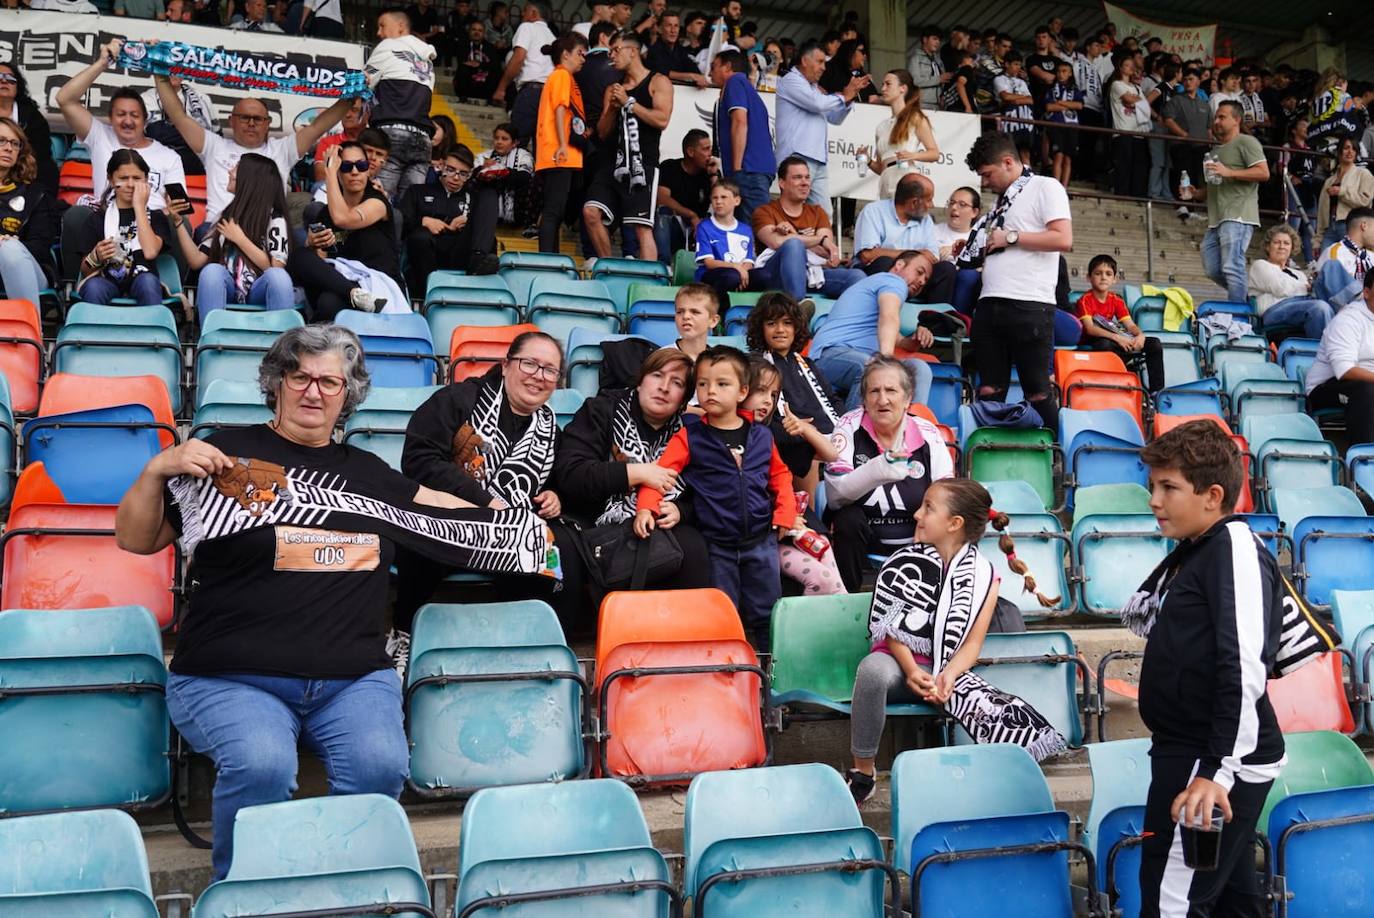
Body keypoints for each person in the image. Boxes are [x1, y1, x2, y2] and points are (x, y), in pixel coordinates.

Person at [115, 324, 557, 880]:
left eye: (330, 381)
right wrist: (157, 468)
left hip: (351, 678)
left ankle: (351, 887)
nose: (313, 390)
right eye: (300, 375)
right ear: (276, 383)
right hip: (231, 674)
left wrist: (531, 531)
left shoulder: (368, 473)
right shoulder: (225, 454)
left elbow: (439, 505)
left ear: (348, 394)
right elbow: (135, 539)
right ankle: (245, 891)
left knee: (381, 763)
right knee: (263, 764)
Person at [1129, 420, 1285, 916]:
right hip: (1193, 751)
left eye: (1168, 487)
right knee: (1230, 904)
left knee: (1171, 901)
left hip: (1211, 760)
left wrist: (1216, 772)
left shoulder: (1233, 549)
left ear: (1213, 495)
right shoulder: (1200, 551)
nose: (1154, 499)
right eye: (1153, 486)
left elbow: (1241, 664)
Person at [845, 477, 1064, 803]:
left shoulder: (985, 576)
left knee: (1003, 714)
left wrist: (949, 676)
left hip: (947, 673)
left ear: (954, 524)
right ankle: (863, 771)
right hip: (898, 664)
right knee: (872, 670)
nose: (917, 515)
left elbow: (973, 645)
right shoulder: (903, 562)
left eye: (928, 508)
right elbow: (891, 631)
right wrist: (910, 670)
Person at [395, 331, 580, 642]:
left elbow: (552, 480)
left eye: (549, 370)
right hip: (452, 513)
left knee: (561, 547)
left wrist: (554, 496)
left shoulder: (549, 427)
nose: (539, 376)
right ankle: (403, 634)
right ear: (506, 365)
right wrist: (483, 501)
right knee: (423, 533)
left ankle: (532, 641)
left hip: (510, 527)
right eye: (529, 364)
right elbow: (419, 460)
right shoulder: (457, 400)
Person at [634, 346, 799, 643]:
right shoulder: (689, 436)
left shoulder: (762, 435)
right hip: (717, 544)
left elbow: (780, 476)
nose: (711, 391)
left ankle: (770, 670)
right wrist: (646, 508)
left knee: (767, 612)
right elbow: (660, 475)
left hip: (761, 540)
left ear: (742, 391)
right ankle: (727, 669)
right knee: (723, 611)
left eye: (722, 384)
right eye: (703, 383)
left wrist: (785, 512)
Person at [553, 347, 712, 591]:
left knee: (694, 546)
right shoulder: (602, 410)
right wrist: (636, 473)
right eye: (657, 375)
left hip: (659, 525)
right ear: (640, 382)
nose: (664, 387)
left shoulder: (688, 433)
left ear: (683, 401)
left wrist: (681, 510)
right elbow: (571, 473)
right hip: (595, 520)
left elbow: (703, 493)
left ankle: (681, 627)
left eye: (677, 382)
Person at [965, 132, 1073, 429]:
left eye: (987, 174)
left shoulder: (1045, 186)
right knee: (989, 388)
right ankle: (988, 453)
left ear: (1008, 162)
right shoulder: (1003, 201)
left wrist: (1010, 237)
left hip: (1030, 304)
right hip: (989, 302)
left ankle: (1057, 457)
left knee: (1038, 391)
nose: (985, 182)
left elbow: (1063, 238)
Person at [823, 356, 955, 592]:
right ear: (863, 399)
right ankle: (844, 600)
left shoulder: (929, 434)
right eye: (874, 391)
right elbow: (836, 494)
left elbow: (946, 497)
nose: (882, 399)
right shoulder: (848, 426)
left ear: (907, 399)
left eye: (891, 390)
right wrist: (879, 469)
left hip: (917, 536)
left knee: (948, 518)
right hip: (865, 536)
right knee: (847, 518)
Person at [154, 73, 351, 230]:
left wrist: (354, 94)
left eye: (257, 119)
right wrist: (159, 76)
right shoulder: (214, 146)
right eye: (244, 117)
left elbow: (318, 126)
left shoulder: (282, 150)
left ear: (268, 124)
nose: (251, 123)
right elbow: (179, 117)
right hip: (218, 229)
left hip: (266, 231)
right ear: (231, 120)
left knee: (300, 241)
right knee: (203, 231)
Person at [57, 41, 187, 279]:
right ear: (110, 118)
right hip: (107, 224)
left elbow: (179, 207)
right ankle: (77, 282)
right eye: (121, 114)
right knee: (76, 215)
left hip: (151, 227)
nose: (128, 121)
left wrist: (170, 211)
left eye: (134, 115)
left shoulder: (169, 157)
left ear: (146, 120)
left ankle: (173, 290)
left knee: (181, 226)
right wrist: (103, 62)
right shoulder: (100, 136)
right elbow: (65, 99)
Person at [741, 357, 846, 596]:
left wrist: (805, 428)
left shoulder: (775, 430)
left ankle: (841, 621)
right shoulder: (725, 434)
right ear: (741, 389)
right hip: (767, 532)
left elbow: (831, 455)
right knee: (822, 579)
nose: (767, 400)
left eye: (773, 394)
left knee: (825, 550)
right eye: (760, 391)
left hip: (795, 525)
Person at [170, 154, 293, 324]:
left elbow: (276, 267)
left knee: (278, 277)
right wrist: (178, 223)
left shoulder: (275, 218)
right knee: (211, 271)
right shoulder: (226, 215)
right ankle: (212, 341)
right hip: (228, 290)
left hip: (259, 292)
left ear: (250, 179)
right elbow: (196, 261)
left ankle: (280, 344)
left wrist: (240, 239)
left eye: (236, 167)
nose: (230, 171)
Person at [584, 29, 673, 263]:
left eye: (615, 50)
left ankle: (646, 281)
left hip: (641, 164)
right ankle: (608, 267)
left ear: (632, 51)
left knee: (642, 227)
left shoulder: (658, 81)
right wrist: (613, 108)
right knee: (590, 212)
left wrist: (629, 103)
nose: (611, 55)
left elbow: (662, 120)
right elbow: (602, 133)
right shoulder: (613, 88)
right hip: (611, 163)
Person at [810, 250, 938, 410]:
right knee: (872, 370)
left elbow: (896, 337)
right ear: (899, 265)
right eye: (919, 272)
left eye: (925, 280)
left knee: (919, 369)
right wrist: (885, 361)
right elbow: (888, 317)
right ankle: (852, 433)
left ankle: (913, 427)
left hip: (858, 358)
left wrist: (915, 340)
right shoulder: (893, 281)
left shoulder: (880, 286)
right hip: (828, 356)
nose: (921, 281)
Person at [286, 142, 396, 320]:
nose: (354, 172)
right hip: (343, 285)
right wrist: (314, 245)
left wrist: (329, 173)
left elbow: (343, 219)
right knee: (300, 255)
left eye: (361, 166)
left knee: (328, 302)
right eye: (346, 166)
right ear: (340, 172)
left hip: (377, 285)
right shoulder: (325, 214)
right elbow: (322, 264)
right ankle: (355, 294)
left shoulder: (378, 203)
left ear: (368, 170)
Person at [745, 292, 842, 487]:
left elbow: (832, 399)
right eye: (772, 323)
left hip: (831, 438)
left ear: (796, 328)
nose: (780, 330)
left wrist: (845, 429)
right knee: (802, 447)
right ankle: (811, 514)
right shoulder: (756, 366)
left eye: (787, 323)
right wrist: (803, 431)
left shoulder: (807, 364)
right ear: (760, 328)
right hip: (795, 441)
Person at [1180, 101, 1269, 305]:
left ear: (1236, 120)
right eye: (1216, 117)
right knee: (1212, 268)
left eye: (1222, 117)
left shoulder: (1247, 142)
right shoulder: (1213, 153)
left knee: (1231, 266)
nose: (1217, 121)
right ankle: (1247, 301)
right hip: (1216, 218)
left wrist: (1229, 172)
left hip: (1238, 215)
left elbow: (1264, 173)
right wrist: (1196, 193)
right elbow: (1213, 187)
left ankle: (1239, 314)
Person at [750, 156, 866, 301]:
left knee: (857, 277)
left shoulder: (817, 212)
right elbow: (776, 242)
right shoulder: (764, 211)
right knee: (793, 245)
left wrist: (794, 235)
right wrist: (818, 240)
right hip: (777, 275)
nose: (805, 183)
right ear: (782, 183)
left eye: (807, 178)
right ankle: (798, 307)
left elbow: (825, 252)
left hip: (812, 274)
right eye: (798, 178)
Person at [774, 39, 868, 217]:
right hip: (797, 157)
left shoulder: (814, 89)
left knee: (824, 216)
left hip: (817, 160)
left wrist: (850, 98)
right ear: (804, 61)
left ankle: (814, 244)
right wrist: (843, 96)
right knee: (794, 211)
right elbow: (817, 104)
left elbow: (834, 118)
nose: (824, 67)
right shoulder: (791, 80)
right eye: (820, 62)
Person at [76, 150, 170, 307]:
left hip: (143, 278)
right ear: (111, 180)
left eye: (137, 178)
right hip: (106, 279)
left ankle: (152, 331)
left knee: (148, 282)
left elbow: (150, 251)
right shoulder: (97, 219)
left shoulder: (157, 217)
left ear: (146, 180)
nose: (131, 184)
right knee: (93, 287)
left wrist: (139, 207)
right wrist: (96, 256)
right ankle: (92, 331)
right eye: (123, 178)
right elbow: (85, 271)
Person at [363, 11, 437, 199]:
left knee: (377, 199)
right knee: (410, 206)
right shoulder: (428, 61)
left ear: (401, 27)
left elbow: (362, 83)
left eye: (382, 25)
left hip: (391, 134)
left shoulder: (389, 45)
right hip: (423, 142)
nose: (379, 33)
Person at [534, 33, 589, 255]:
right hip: (559, 153)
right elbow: (559, 109)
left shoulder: (564, 77)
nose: (583, 59)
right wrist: (563, 144)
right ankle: (548, 259)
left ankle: (551, 257)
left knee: (556, 211)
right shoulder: (561, 76)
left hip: (561, 154)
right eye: (579, 53)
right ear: (565, 55)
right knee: (552, 212)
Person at [1078, 254, 1165, 393]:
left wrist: (1140, 336)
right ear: (1089, 277)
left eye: (1108, 274)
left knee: (1154, 344)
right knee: (1104, 345)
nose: (1103, 277)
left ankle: (1157, 392)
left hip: (1115, 340)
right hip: (1094, 342)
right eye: (1098, 273)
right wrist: (1118, 338)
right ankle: (1112, 386)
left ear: (1115, 279)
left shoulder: (1117, 300)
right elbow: (1089, 329)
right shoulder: (1084, 300)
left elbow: (1130, 325)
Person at [0, 118, 58, 313]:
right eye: (1, 141)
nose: (8, 148)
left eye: (14, 143)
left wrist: (10, 245)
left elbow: (40, 247)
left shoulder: (36, 194)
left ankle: (29, 338)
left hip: (29, 270)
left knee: (10, 250)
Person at [710, 48, 774, 223]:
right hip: (753, 170)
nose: (709, 72)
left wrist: (737, 169)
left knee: (756, 231)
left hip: (748, 170)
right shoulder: (745, 86)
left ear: (727, 67)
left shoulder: (735, 83)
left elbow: (739, 122)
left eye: (714, 66)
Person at [400, 145, 475, 294]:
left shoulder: (474, 198)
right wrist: (422, 221)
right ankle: (432, 292)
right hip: (423, 254)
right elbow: (400, 221)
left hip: (457, 253)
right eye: (451, 170)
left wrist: (468, 225)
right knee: (420, 237)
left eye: (463, 174)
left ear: (469, 175)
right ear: (441, 166)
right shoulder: (417, 191)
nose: (455, 177)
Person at [862, 69, 940, 200]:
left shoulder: (915, 117)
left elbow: (934, 153)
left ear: (902, 88)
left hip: (906, 176)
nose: (883, 88)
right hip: (886, 180)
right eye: (882, 84)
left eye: (888, 84)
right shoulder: (881, 127)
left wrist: (912, 155)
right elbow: (882, 167)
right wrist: (868, 160)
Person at [1247, 224, 1334, 340]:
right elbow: (1280, 287)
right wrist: (1306, 287)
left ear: (1292, 248)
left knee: (1332, 267)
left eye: (1286, 243)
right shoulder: (1260, 265)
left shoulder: (1299, 274)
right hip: (1273, 311)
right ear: (1268, 246)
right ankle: (1322, 354)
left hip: (1302, 307)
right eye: (1277, 242)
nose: (1281, 246)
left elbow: (1294, 289)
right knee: (1320, 307)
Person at [466, 123, 533, 265]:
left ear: (515, 143)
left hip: (518, 210)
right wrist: (482, 170)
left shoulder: (524, 156)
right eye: (496, 138)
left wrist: (501, 173)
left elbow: (525, 178)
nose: (499, 142)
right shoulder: (483, 156)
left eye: (504, 139)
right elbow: (469, 179)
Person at [494, 1, 557, 144]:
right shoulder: (553, 38)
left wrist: (501, 88)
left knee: (515, 144)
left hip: (531, 93)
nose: (522, 14)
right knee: (540, 148)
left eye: (525, 10)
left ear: (534, 14)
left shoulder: (527, 27)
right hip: (550, 96)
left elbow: (518, 58)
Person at [655, 128, 714, 260]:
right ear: (690, 152)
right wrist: (691, 215)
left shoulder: (709, 174)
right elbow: (662, 198)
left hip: (698, 231)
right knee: (662, 214)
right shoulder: (670, 167)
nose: (710, 154)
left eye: (710, 149)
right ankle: (663, 266)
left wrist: (714, 175)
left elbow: (722, 204)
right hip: (675, 227)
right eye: (706, 149)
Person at [694, 180, 757, 300]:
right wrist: (736, 267)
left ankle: (752, 313)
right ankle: (720, 311)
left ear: (737, 201)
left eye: (724, 197)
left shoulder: (746, 229)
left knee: (765, 276)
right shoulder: (704, 226)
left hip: (738, 274)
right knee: (732, 276)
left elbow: (749, 261)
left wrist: (742, 272)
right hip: (712, 275)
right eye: (714, 198)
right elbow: (709, 262)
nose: (718, 201)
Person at [1162, 69, 1212, 218]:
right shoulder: (1176, 100)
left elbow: (1209, 128)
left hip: (1201, 146)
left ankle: (1192, 207)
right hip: (1181, 144)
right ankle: (1182, 204)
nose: (1188, 82)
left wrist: (1210, 144)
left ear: (1198, 82)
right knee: (1183, 173)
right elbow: (1168, 120)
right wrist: (1183, 134)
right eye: (1185, 79)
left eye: (1191, 79)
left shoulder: (1205, 105)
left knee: (1197, 176)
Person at [0, 64, 55, 196]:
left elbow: (41, 157)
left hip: (24, 178)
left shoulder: (33, 117)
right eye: (0, 77)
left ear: (18, 87)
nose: (4, 81)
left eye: (11, 79)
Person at [1316, 136, 1374, 249]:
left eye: (1354, 149)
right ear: (1339, 151)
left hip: (1351, 227)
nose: (1350, 151)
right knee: (1324, 263)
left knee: (1348, 263)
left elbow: (1365, 201)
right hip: (1330, 227)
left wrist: (1342, 192)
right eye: (1346, 148)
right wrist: (1317, 239)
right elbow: (1322, 211)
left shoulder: (1364, 174)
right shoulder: (1329, 181)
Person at [1314, 206, 1374, 308]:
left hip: (1368, 311)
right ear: (1364, 226)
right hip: (1344, 312)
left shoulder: (1370, 256)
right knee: (1332, 266)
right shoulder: (1335, 252)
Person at [1108, 56, 1150, 197]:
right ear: (1120, 68)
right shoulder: (1116, 85)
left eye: (1132, 65)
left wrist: (1137, 101)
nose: (1130, 67)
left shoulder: (1137, 88)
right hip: (1123, 130)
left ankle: (1136, 195)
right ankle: (1122, 194)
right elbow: (1128, 100)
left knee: (1139, 166)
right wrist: (1140, 101)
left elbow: (1141, 103)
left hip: (1138, 131)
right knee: (1124, 165)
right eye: (1127, 65)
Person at [312, 98, 368, 186]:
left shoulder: (374, 141)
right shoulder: (328, 142)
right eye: (344, 110)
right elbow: (321, 176)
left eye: (354, 110)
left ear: (367, 114)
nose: (347, 114)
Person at [1044, 60, 1083, 187]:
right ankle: (1056, 187)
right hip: (1056, 124)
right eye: (1059, 71)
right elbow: (1049, 107)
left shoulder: (1075, 89)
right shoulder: (1051, 89)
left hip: (1072, 126)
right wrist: (1068, 105)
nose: (1061, 74)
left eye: (1064, 71)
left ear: (1070, 73)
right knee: (1058, 156)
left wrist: (1060, 103)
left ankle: (1064, 188)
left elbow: (1079, 105)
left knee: (1068, 159)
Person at [993, 54, 1035, 165]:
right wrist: (1022, 98)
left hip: (1024, 120)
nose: (1018, 68)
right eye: (1016, 64)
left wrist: (1015, 100)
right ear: (1007, 64)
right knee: (1009, 152)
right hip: (1008, 120)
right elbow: (1005, 97)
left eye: (1019, 65)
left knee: (1025, 152)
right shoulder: (999, 79)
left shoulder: (1022, 82)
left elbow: (1031, 100)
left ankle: (1028, 178)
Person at [648, 10, 706, 86]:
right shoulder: (654, 50)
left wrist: (699, 77)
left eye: (676, 26)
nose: (673, 30)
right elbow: (662, 71)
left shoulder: (680, 50)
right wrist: (690, 76)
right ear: (659, 29)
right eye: (669, 25)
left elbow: (693, 68)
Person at [453, 19, 501, 102]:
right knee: (462, 70)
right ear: (469, 31)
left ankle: (489, 100)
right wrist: (476, 65)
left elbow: (495, 66)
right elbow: (462, 62)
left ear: (484, 33)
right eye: (474, 29)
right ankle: (462, 97)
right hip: (468, 80)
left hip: (484, 80)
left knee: (496, 74)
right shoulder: (462, 45)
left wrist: (479, 65)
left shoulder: (490, 48)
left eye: (480, 30)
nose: (476, 32)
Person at [672, 282, 719, 363]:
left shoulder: (718, 362)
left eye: (695, 312)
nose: (686, 316)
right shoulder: (662, 359)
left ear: (713, 321)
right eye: (680, 312)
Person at [820, 39, 877, 104]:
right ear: (850, 51)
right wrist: (841, 94)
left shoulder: (862, 75)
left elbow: (873, 98)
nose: (865, 56)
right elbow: (819, 94)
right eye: (863, 51)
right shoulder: (829, 69)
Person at [934, 185, 979, 260]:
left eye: (962, 204)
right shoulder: (933, 231)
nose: (954, 207)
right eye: (951, 202)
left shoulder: (978, 239)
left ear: (974, 212)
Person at [907, 25, 945, 108]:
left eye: (939, 40)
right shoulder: (915, 58)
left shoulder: (938, 61)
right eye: (934, 39)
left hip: (938, 105)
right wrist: (939, 79)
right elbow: (915, 81)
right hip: (921, 103)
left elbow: (943, 81)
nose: (938, 42)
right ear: (925, 39)